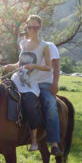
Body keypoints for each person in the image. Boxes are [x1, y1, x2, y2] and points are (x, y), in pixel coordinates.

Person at [4, 15, 51, 151]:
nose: (32, 30)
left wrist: (34, 66)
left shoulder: (44, 46)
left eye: (35, 27)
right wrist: (11, 66)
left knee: (30, 105)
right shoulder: (23, 43)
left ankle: (34, 140)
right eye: (30, 27)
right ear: (27, 28)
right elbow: (21, 63)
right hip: (16, 78)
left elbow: (49, 67)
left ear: (40, 27)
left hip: (30, 83)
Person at [20, 27, 63, 156]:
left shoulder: (49, 46)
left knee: (50, 105)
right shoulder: (26, 47)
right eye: (24, 33)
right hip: (27, 83)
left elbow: (55, 66)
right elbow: (21, 64)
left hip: (43, 85)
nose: (25, 36)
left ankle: (54, 143)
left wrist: (55, 84)